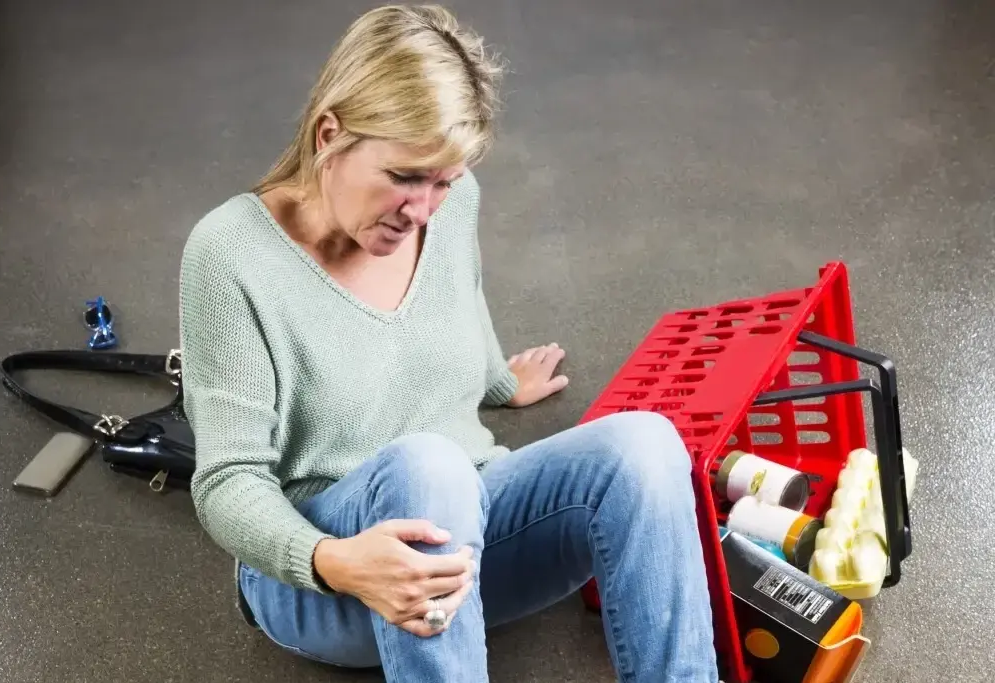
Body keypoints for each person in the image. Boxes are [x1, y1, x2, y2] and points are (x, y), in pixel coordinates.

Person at [178, 4, 719, 682]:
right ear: (328, 135)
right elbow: (228, 483)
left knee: (644, 444)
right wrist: (334, 560)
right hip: (327, 579)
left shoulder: (447, 201)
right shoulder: (230, 255)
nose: (423, 209)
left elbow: (455, 301)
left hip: (466, 540)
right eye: (405, 177)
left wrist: (497, 379)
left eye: (445, 181)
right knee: (429, 467)